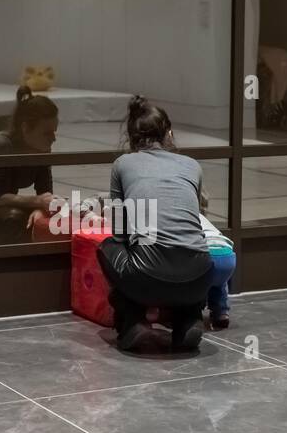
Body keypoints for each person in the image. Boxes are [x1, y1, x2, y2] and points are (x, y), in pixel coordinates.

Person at [98, 97, 213, 352]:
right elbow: (193, 218)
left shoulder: (123, 164)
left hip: (147, 278)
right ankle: (188, 318)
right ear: (169, 133)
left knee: (107, 246)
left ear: (131, 137)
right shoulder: (192, 165)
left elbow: (120, 232)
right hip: (200, 277)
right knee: (181, 253)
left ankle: (133, 321)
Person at [0, 86, 59, 246]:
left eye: (54, 132)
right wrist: (39, 202)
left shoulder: (42, 149)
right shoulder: (2, 146)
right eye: (47, 133)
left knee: (48, 218)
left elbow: (45, 193)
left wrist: (40, 209)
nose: (53, 139)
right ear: (25, 129)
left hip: (4, 207)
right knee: (16, 218)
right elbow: (1, 198)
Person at [199, 196, 235, 330]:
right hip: (228, 256)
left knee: (191, 276)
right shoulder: (206, 220)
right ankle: (221, 312)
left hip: (206, 257)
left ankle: (191, 311)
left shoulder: (184, 219)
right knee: (220, 282)